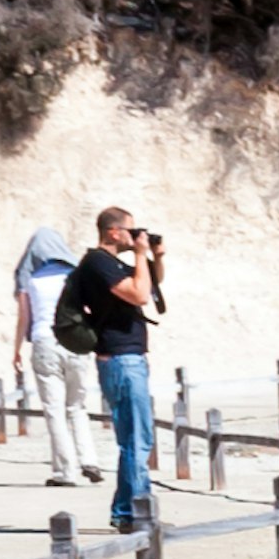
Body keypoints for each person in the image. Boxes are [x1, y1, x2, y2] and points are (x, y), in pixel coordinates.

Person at [52, 206, 165, 531]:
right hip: (120, 359)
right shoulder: (98, 263)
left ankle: (124, 511)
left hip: (127, 359)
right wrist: (141, 255)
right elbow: (139, 294)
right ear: (114, 232)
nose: (135, 236)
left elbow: (150, 286)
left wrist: (155, 258)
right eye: (131, 230)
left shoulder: (111, 264)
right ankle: (135, 515)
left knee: (136, 438)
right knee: (136, 439)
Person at [9, 217, 104, 491]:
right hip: (75, 344)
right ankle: (90, 460)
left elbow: (23, 318)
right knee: (77, 406)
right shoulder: (75, 274)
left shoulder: (31, 280)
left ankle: (65, 471)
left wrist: (16, 350)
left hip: (45, 342)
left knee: (54, 410)